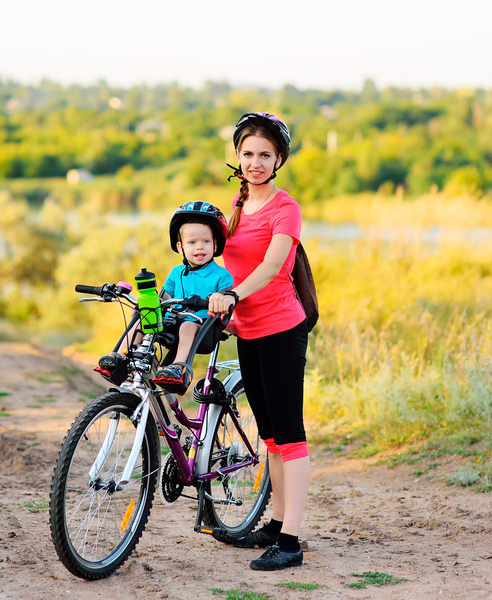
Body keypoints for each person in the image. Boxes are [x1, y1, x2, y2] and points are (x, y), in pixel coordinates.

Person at [207, 112, 310, 571]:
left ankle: (291, 541)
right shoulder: (237, 203)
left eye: (264, 155)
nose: (255, 162)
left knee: (289, 437)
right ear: (238, 156)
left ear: (279, 159)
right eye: (247, 153)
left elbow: (271, 267)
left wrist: (230, 295)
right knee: (268, 436)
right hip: (246, 329)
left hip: (282, 329)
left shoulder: (285, 208)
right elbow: (222, 263)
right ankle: (274, 521)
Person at [96, 201, 233, 391]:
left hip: (202, 327)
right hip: (171, 322)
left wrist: (218, 301)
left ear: (215, 244)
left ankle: (178, 367)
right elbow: (163, 297)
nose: (199, 247)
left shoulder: (222, 276)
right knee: (144, 318)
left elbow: (226, 302)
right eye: (192, 242)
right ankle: (118, 356)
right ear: (180, 247)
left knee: (187, 325)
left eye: (206, 242)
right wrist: (148, 304)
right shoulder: (176, 273)